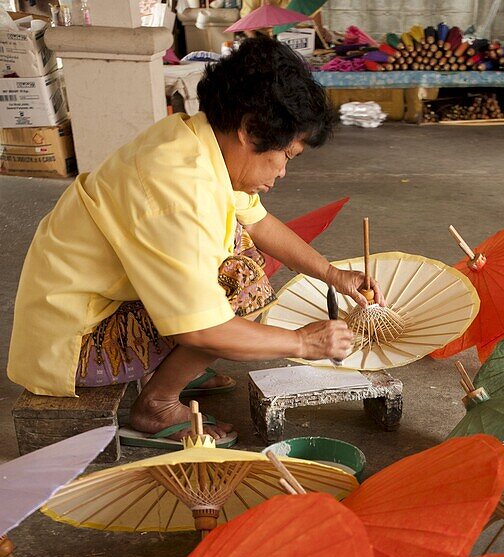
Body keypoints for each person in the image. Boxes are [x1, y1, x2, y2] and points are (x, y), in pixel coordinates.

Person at [8, 36, 381, 447]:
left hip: (89, 299)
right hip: (76, 341)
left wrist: (333, 274)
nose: (283, 172)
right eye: (287, 156)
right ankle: (159, 402)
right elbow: (204, 328)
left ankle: (175, 366)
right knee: (245, 282)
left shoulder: (198, 141)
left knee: (239, 245)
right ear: (249, 130)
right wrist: (304, 342)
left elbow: (256, 220)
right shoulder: (178, 190)